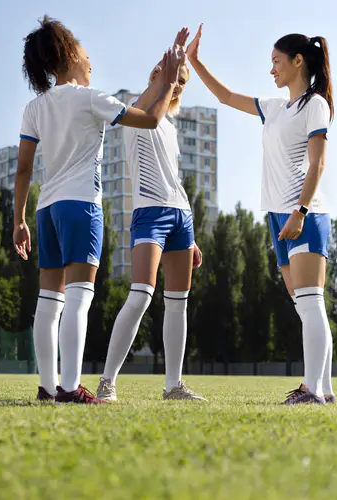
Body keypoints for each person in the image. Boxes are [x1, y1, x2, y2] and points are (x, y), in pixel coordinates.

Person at [14, 16, 189, 403]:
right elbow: (150, 119)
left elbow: (24, 167)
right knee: (79, 296)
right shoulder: (91, 98)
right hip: (81, 207)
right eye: (87, 55)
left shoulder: (34, 107)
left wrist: (19, 220)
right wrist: (166, 85)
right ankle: (72, 386)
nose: (91, 62)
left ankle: (47, 387)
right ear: (70, 54)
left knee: (49, 300)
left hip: (46, 210)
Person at [186, 24, 335, 404]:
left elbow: (317, 164)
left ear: (298, 61)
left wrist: (300, 212)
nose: (271, 70)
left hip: (305, 213)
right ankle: (326, 390)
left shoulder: (315, 104)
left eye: (276, 62)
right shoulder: (273, 108)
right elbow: (225, 96)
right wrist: (195, 61)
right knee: (305, 305)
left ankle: (312, 389)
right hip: (276, 216)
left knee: (311, 300)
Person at [96, 52, 205, 402]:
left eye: (180, 80)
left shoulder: (171, 129)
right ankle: (107, 383)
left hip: (181, 215)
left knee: (178, 303)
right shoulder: (136, 108)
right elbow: (150, 106)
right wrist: (167, 74)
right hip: (149, 213)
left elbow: (173, 178)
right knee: (141, 295)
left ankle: (173, 385)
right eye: (166, 71)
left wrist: (194, 238)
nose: (172, 80)